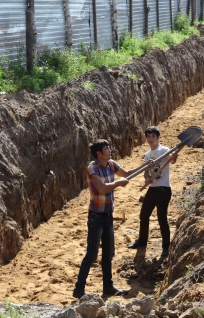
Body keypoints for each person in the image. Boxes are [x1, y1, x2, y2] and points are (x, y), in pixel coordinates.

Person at [73, 139, 152, 299]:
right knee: (92, 254)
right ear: (99, 153)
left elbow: (127, 174)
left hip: (108, 215)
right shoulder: (93, 168)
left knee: (108, 253)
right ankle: (78, 289)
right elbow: (101, 188)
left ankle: (108, 286)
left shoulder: (111, 164)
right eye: (106, 149)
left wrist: (145, 166)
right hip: (96, 217)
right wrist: (118, 183)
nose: (110, 150)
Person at [127, 126, 178, 257]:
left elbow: (172, 160)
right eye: (148, 136)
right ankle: (142, 241)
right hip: (152, 188)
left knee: (162, 217)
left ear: (158, 137)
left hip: (163, 188)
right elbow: (146, 172)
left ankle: (166, 246)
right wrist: (147, 178)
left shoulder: (164, 150)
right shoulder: (148, 154)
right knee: (144, 215)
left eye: (153, 136)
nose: (151, 139)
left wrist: (174, 156)